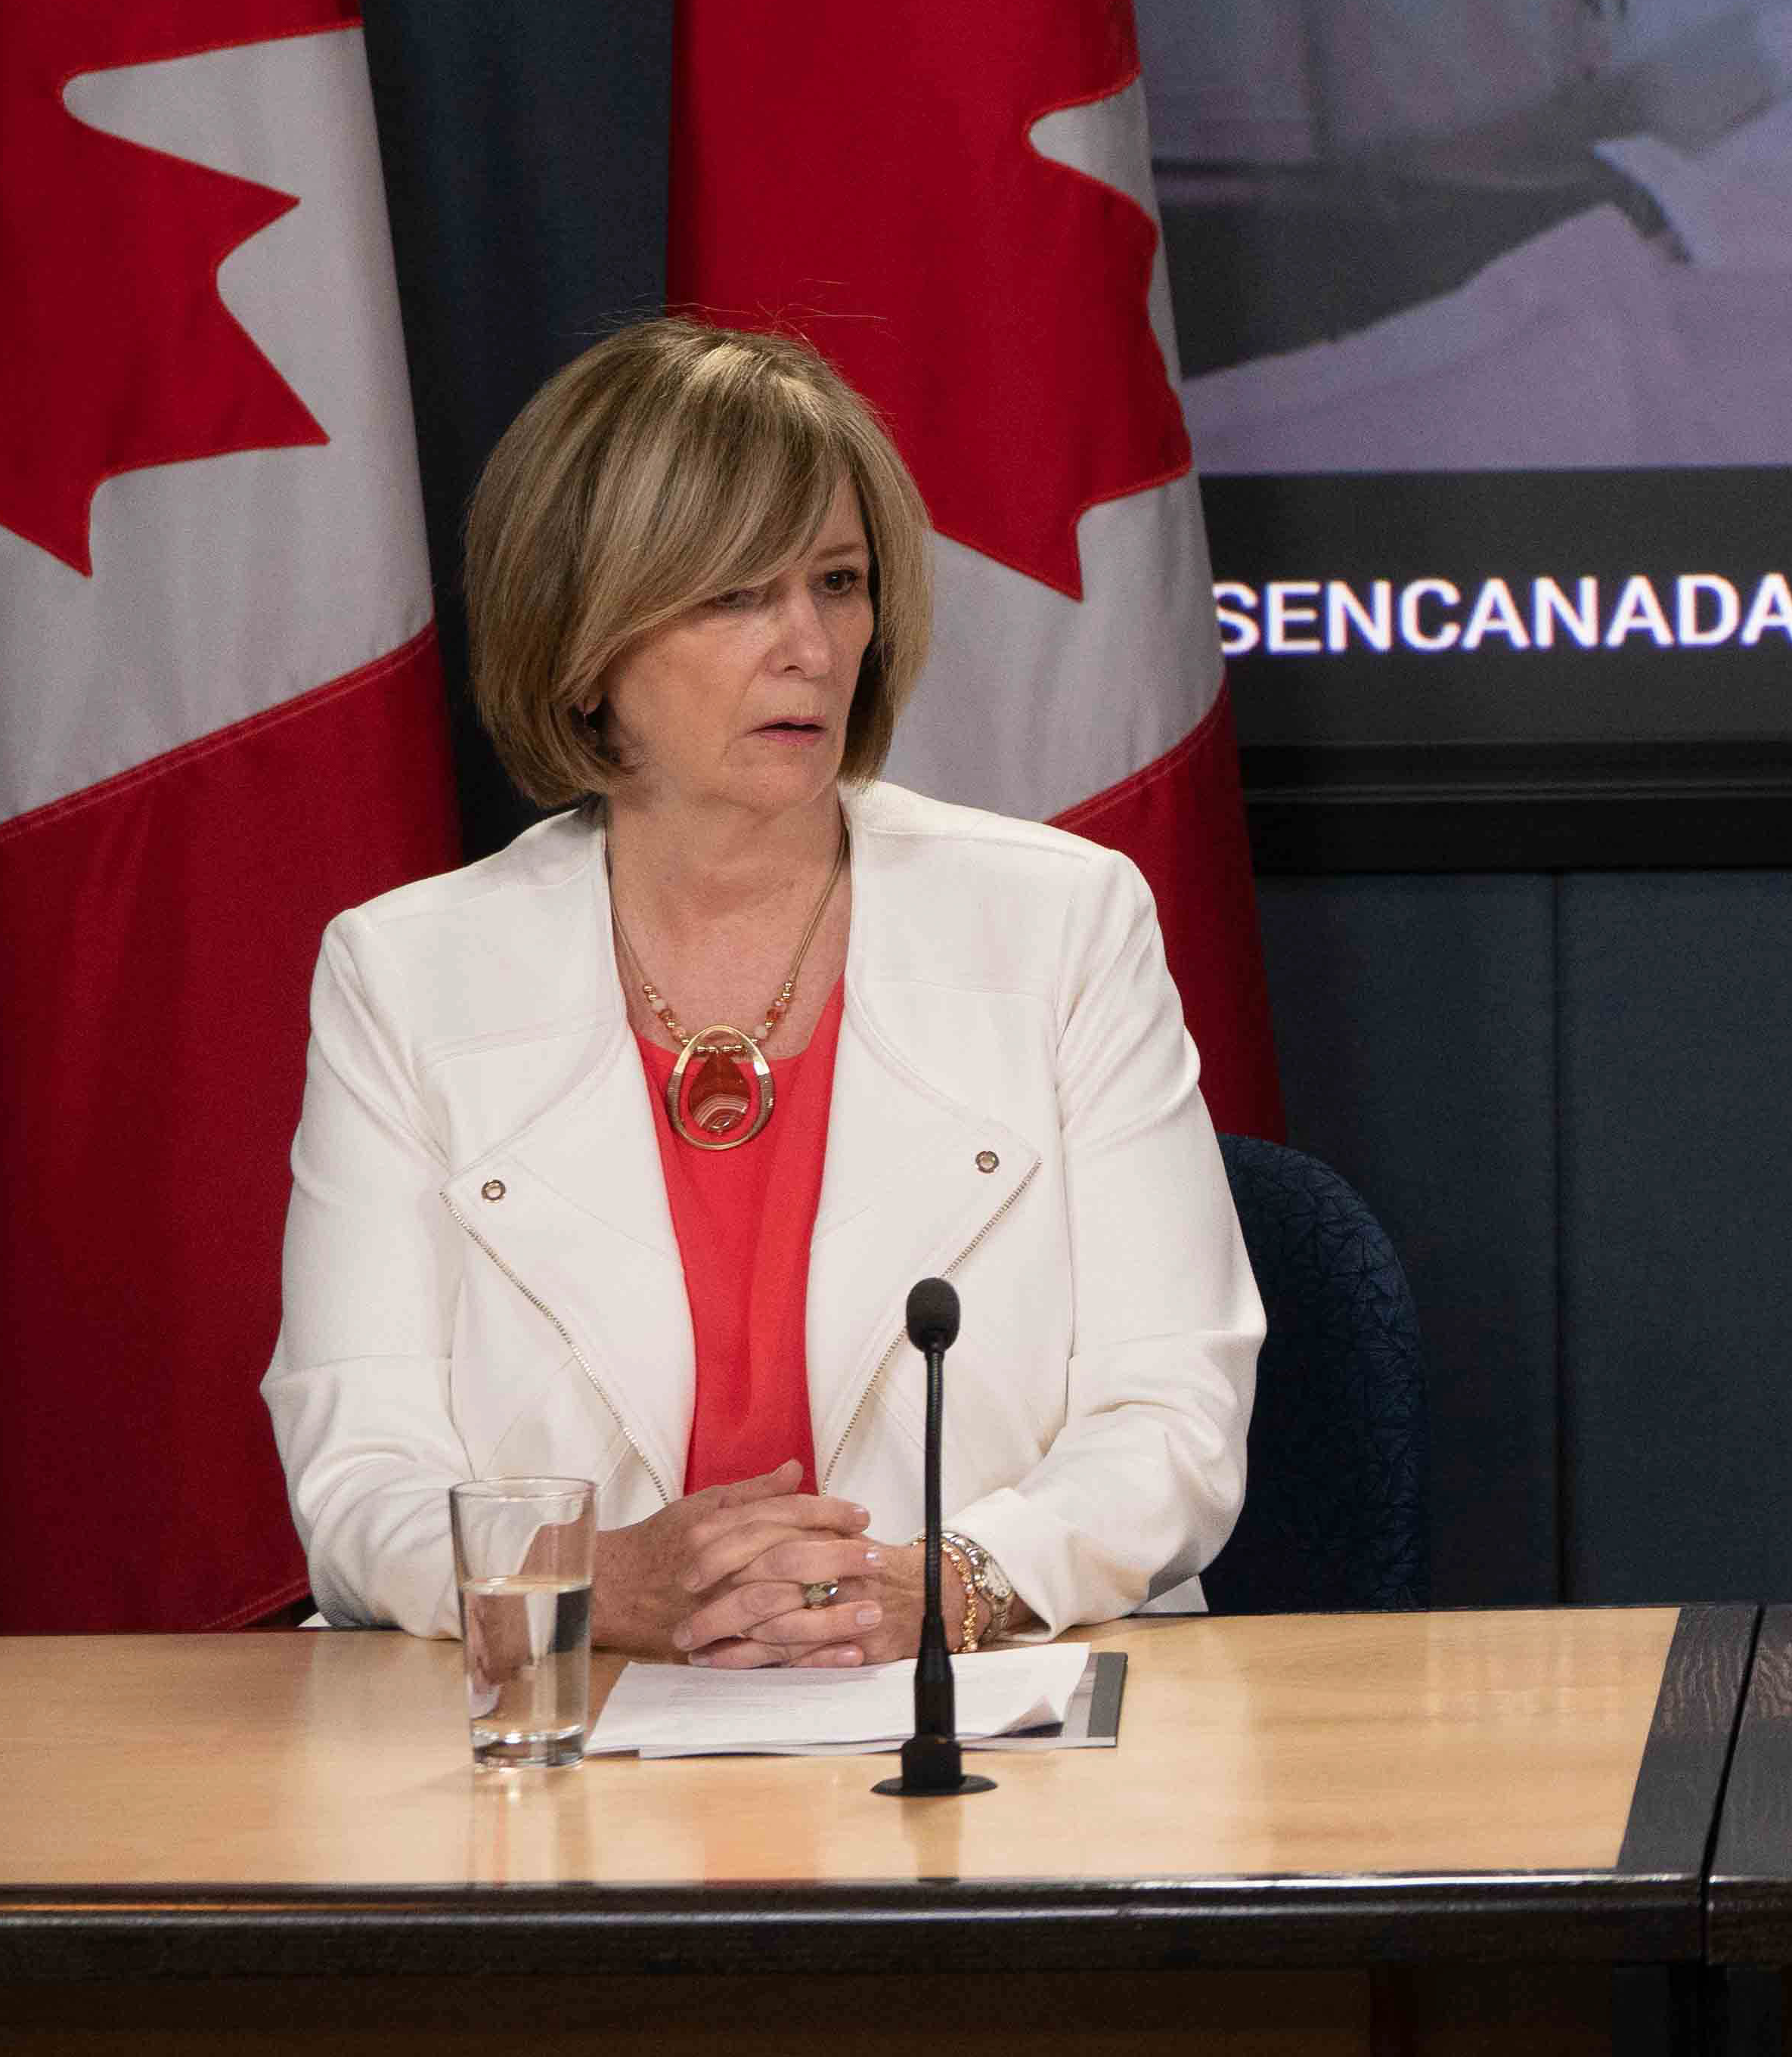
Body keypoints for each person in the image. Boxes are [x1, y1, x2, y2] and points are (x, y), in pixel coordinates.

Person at [268, 319, 1259, 1658]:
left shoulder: (1063, 925)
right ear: (582, 636)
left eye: (839, 583)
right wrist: (594, 1584)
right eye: (735, 595)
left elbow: (1172, 1411)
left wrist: (947, 1585)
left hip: (983, 1716)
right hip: (582, 1734)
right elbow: (360, 1474)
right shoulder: (408, 976)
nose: (809, 644)